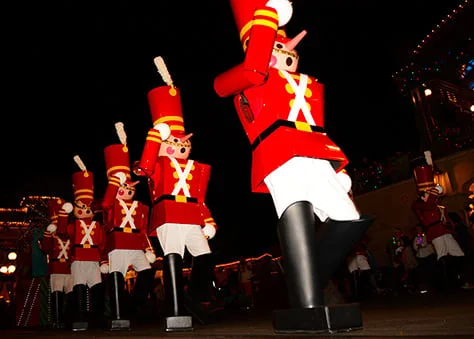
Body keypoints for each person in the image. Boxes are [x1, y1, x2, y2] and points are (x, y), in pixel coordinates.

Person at [213, 0, 373, 332]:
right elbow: (249, 70)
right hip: (276, 153)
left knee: (349, 217)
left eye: (289, 49)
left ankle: (301, 273)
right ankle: (306, 297)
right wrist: (266, 17)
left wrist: (337, 169)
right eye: (276, 46)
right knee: (296, 213)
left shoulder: (308, 83)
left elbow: (318, 125)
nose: (287, 53)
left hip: (316, 153)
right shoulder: (247, 79)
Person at [136, 57, 218, 332]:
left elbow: (200, 197)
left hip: (192, 215)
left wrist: (209, 221)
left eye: (184, 143)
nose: (181, 147)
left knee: (205, 257)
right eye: (174, 142)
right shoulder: (156, 164)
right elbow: (144, 166)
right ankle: (174, 307)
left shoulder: (195, 168)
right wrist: (154, 136)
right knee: (174, 257)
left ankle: (191, 298)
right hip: (168, 214)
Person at [100, 124, 156, 330]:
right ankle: (118, 313)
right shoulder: (111, 204)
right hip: (117, 244)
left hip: (135, 244)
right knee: (116, 278)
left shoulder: (140, 206)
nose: (127, 191)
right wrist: (115, 181)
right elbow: (105, 203)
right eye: (123, 188)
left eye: (129, 188)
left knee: (148, 273)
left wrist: (149, 249)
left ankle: (133, 305)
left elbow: (143, 229)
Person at [411, 154, 465, 292]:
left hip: (444, 231)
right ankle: (443, 284)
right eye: (428, 192)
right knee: (441, 257)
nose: (431, 194)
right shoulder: (418, 205)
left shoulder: (436, 205)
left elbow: (438, 209)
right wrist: (436, 190)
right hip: (435, 233)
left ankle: (459, 280)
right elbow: (428, 205)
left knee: (458, 254)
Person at [65, 156, 106, 331]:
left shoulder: (98, 226)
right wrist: (61, 215)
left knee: (97, 288)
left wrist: (103, 260)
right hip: (78, 259)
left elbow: (103, 244)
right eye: (80, 208)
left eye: (87, 208)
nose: (84, 211)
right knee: (79, 288)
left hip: (94, 259)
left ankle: (97, 319)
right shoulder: (72, 225)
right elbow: (63, 233)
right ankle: (79, 318)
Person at [41, 198, 74, 329]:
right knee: (57, 295)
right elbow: (46, 249)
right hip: (56, 269)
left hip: (69, 268)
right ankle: (57, 320)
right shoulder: (50, 234)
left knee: (71, 295)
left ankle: (70, 319)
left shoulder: (69, 232)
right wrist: (47, 235)